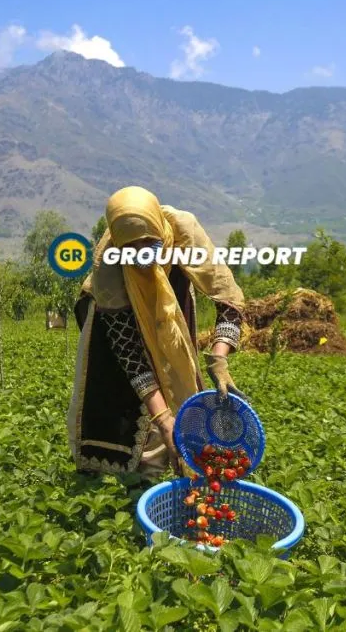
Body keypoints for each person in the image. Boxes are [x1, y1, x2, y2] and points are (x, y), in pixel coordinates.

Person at [67, 186, 248, 479]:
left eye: (149, 242)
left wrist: (219, 358)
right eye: (131, 248)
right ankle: (123, 477)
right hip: (111, 318)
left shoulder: (183, 229)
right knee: (113, 399)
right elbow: (130, 353)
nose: (142, 254)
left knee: (174, 374)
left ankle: (165, 465)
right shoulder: (108, 267)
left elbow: (227, 297)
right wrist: (163, 420)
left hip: (169, 305)